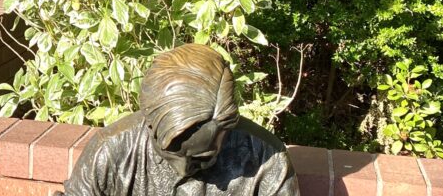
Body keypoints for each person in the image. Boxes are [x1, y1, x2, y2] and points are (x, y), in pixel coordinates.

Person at [62, 44, 299, 196]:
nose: (185, 170)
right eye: (171, 152)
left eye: (204, 159)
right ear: (151, 124)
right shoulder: (111, 150)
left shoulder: (266, 160)